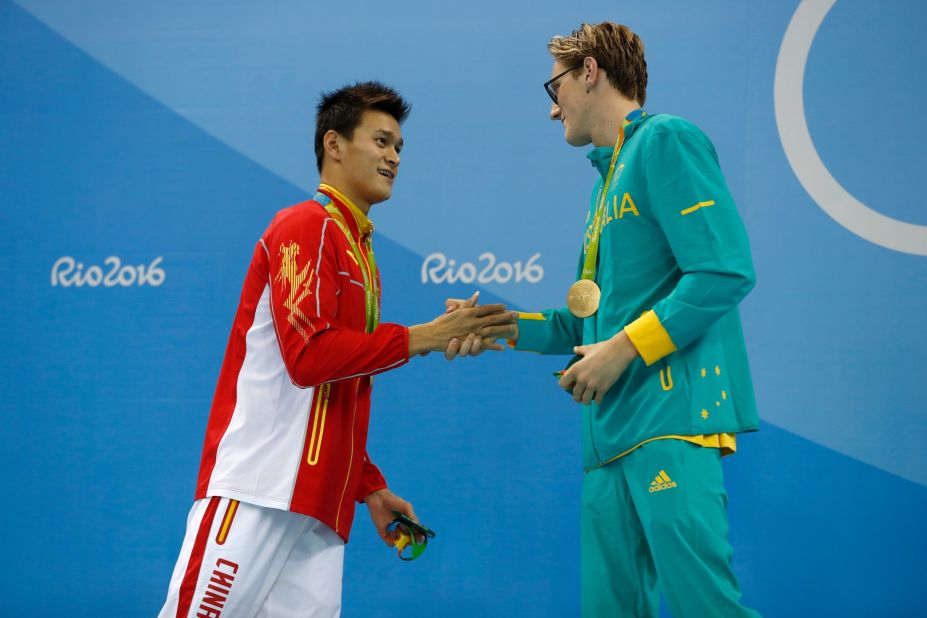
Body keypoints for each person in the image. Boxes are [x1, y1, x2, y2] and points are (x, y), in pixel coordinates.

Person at [158, 81, 515, 618]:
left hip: (319, 509)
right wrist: (423, 338)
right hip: (258, 490)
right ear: (334, 144)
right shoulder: (306, 226)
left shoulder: (361, 254)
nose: (394, 156)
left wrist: (368, 485)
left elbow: (334, 387)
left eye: (399, 147)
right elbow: (310, 359)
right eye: (381, 140)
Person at [450, 22, 761, 618]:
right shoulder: (605, 183)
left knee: (708, 610)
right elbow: (587, 323)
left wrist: (622, 349)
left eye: (554, 86)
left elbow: (724, 270)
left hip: (671, 422)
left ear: (589, 71)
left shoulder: (665, 140)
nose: (551, 110)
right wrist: (501, 326)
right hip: (606, 440)